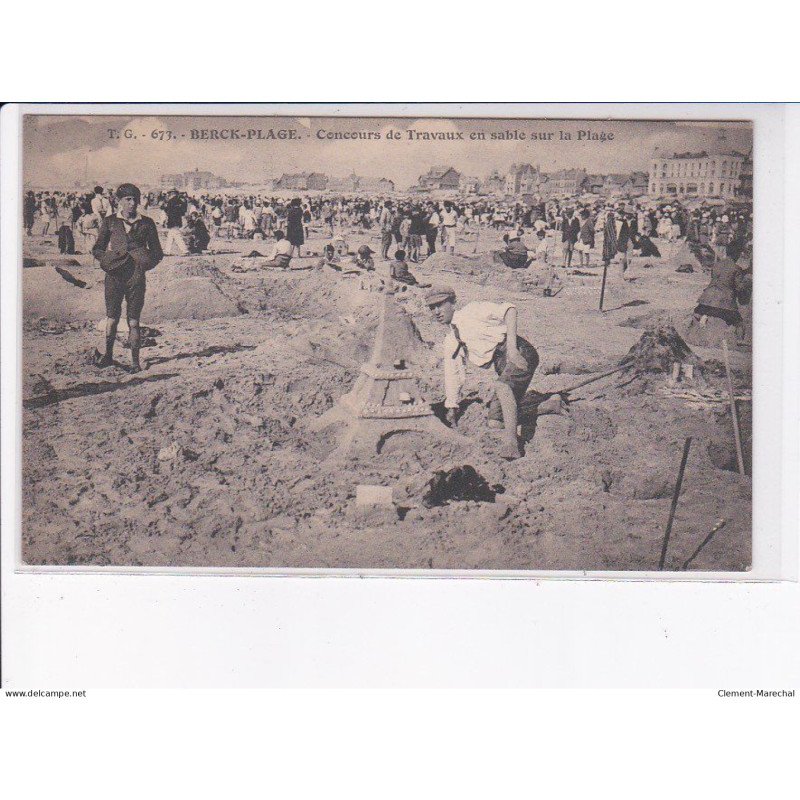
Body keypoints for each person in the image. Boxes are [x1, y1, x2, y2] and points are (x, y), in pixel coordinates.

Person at [425, 286, 537, 460]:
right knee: (495, 421)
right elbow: (453, 374)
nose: (437, 311)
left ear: (453, 302)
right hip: (501, 364)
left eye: (440, 304)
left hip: (520, 352)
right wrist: (452, 406)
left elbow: (510, 310)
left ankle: (511, 443)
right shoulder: (451, 341)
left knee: (501, 386)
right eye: (432, 308)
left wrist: (513, 350)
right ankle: (548, 406)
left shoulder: (473, 310)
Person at [92, 183, 163, 373]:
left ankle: (135, 363)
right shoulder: (109, 222)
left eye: (135, 199)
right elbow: (97, 249)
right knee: (112, 318)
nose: (132, 203)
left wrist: (144, 264)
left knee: (133, 320)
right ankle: (108, 356)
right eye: (128, 199)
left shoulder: (147, 223)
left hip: (135, 277)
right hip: (114, 275)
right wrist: (107, 259)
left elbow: (157, 252)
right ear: (118, 201)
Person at [694, 239, 750, 340]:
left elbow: (720, 279)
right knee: (739, 323)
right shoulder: (736, 268)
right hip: (724, 302)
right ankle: (740, 341)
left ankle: (704, 317)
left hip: (706, 299)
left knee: (697, 313)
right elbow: (738, 287)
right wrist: (747, 282)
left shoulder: (716, 265)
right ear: (737, 254)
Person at [164, 189, 188, 255]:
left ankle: (185, 251)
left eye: (169, 193)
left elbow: (167, 211)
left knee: (177, 235)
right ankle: (167, 251)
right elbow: (183, 211)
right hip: (177, 220)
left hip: (172, 221)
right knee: (170, 236)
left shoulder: (171, 201)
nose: (168, 195)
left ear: (172, 193)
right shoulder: (180, 201)